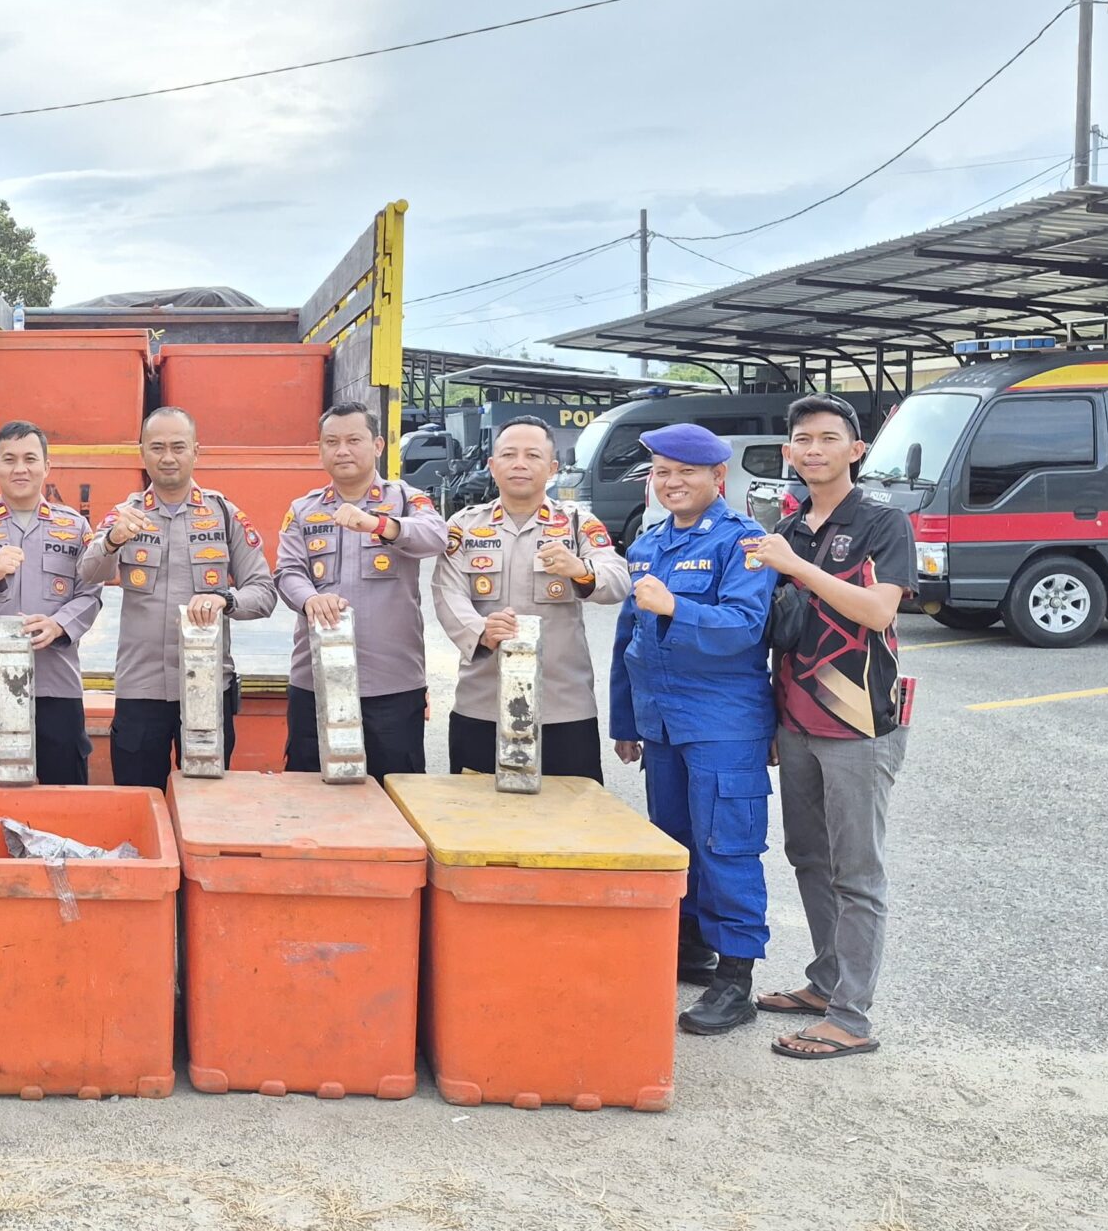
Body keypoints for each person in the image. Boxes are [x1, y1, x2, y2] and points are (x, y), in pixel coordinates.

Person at [741, 394, 914, 1062]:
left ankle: (851, 1016)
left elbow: (876, 611)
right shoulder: (790, 524)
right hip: (796, 719)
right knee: (808, 857)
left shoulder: (881, 522)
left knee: (857, 872)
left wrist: (797, 566)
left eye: (828, 438)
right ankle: (825, 983)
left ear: (856, 449)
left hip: (860, 721)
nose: (814, 450)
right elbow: (779, 627)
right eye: (803, 440)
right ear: (789, 452)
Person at [607, 422, 778, 1035]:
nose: (672, 482)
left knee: (725, 845)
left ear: (717, 477)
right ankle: (689, 949)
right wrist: (626, 721)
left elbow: (744, 626)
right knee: (674, 838)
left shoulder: (745, 542)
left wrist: (677, 606)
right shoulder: (649, 543)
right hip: (662, 725)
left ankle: (736, 980)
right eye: (663, 472)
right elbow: (628, 639)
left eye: (685, 472)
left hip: (722, 723)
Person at [78, 406, 276, 789]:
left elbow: (264, 592)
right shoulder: (125, 515)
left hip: (207, 687)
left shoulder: (224, 514)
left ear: (196, 452)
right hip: (141, 690)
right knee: (138, 799)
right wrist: (113, 540)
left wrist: (225, 600)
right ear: (142, 453)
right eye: (157, 447)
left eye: (178, 447)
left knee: (205, 801)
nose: (167, 457)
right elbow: (88, 573)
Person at [433, 417, 628, 782]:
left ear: (552, 468)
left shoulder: (577, 524)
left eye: (532, 455)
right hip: (482, 703)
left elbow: (618, 580)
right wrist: (481, 631)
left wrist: (580, 569)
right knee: (475, 809)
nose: (519, 464)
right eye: (509, 455)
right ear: (492, 466)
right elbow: (447, 593)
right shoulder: (464, 525)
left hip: (562, 707)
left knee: (572, 810)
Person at [273, 400, 447, 777]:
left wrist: (379, 525)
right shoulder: (303, 509)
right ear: (320, 449)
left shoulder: (405, 499)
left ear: (378, 445)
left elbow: (436, 536)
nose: (342, 450)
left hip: (392, 683)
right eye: (332, 442)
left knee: (395, 786)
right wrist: (311, 599)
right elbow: (287, 572)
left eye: (354, 440)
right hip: (315, 680)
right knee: (310, 785)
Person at [0, 420, 104, 786]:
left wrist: (59, 625)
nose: (20, 468)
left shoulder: (75, 527)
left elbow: (91, 594)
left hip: (56, 685)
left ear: (47, 466)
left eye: (30, 459)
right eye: (9, 459)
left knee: (65, 792)